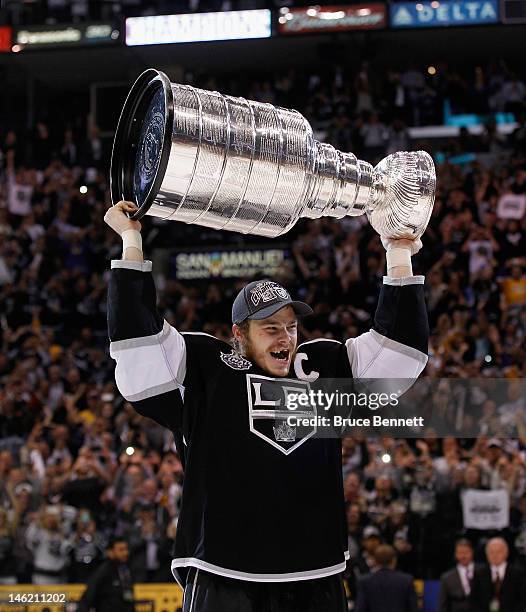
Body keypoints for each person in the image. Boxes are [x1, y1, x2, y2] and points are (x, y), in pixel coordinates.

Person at [104, 200, 429, 612]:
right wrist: (131, 239)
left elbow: (399, 352)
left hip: (316, 574)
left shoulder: (323, 364)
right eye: (271, 328)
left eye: (291, 327)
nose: (285, 338)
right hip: (225, 575)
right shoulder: (207, 367)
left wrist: (397, 251)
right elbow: (138, 342)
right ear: (239, 333)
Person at [77, 537, 134, 612]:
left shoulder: (126, 570)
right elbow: (88, 597)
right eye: (121, 550)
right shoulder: (103, 571)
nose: (125, 553)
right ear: (110, 552)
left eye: (126, 549)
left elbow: (129, 598)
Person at [354, 544, 417, 612]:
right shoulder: (406, 580)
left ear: (375, 560)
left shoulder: (364, 581)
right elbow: (413, 609)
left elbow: (360, 609)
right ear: (394, 560)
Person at [470, 537, 526, 612]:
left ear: (506, 553)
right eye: (491, 552)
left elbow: (522, 599)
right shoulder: (479, 573)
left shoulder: (517, 573)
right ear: (486, 554)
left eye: (499, 552)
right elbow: (473, 600)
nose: (495, 555)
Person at [439, 538, 478, 612]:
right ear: (455, 554)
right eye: (460, 553)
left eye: (466, 552)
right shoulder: (447, 578)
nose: (463, 556)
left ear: (472, 552)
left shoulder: (482, 572)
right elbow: (443, 605)